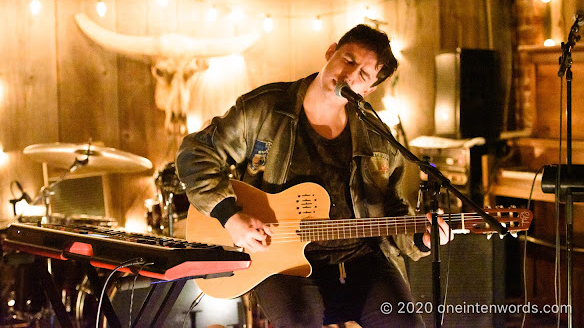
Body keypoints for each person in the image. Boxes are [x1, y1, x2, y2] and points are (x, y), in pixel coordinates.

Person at [176, 24, 452, 327]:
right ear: (331, 52)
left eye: (362, 75)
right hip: (280, 261)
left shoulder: (378, 136)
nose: (350, 75)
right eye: (348, 60)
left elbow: (393, 209)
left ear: (368, 90)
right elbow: (195, 153)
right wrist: (230, 217)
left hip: (362, 259)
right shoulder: (266, 108)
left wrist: (423, 238)